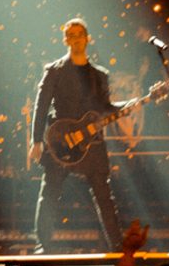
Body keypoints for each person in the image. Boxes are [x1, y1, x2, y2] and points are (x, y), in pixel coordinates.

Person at [28, 18, 123, 252]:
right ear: (66, 40)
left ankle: (117, 247)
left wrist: (131, 105)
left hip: (92, 142)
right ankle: (43, 245)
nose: (76, 39)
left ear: (87, 38)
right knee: (50, 192)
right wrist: (36, 140)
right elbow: (41, 105)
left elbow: (105, 108)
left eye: (80, 34)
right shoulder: (54, 71)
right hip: (61, 140)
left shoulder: (100, 75)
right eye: (71, 35)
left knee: (103, 194)